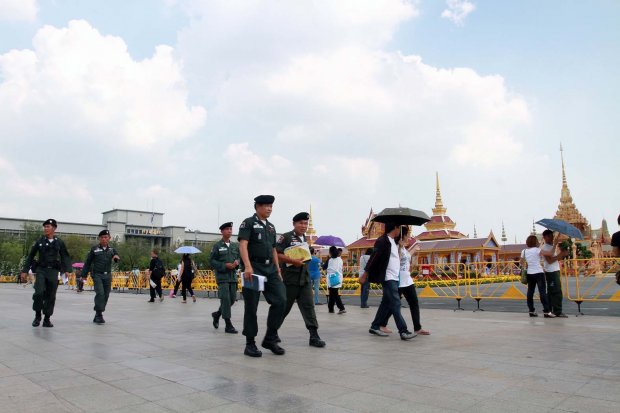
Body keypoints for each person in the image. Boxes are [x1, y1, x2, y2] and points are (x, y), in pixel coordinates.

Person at [238, 195, 286, 357]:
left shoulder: (271, 227)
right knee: (251, 306)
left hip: (270, 269)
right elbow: (243, 244)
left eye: (271, 206)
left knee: (281, 300)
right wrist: (248, 266)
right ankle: (250, 343)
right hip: (254, 268)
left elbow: (273, 249)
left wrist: (278, 269)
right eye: (266, 205)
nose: (269, 208)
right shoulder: (248, 223)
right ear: (257, 206)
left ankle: (270, 338)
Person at [276, 212, 326, 348]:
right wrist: (292, 260)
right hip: (290, 279)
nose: (304, 226)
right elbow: (277, 254)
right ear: (294, 224)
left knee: (309, 306)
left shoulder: (304, 238)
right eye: (301, 223)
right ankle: (272, 333)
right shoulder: (285, 237)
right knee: (283, 308)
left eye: (306, 223)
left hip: (304, 279)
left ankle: (314, 335)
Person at [360, 222, 416, 340]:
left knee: (386, 303)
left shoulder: (392, 242)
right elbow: (374, 258)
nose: (399, 232)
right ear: (395, 228)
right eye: (399, 228)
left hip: (395, 277)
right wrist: (365, 274)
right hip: (388, 277)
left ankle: (375, 326)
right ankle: (403, 331)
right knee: (396, 303)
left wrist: (400, 246)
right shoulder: (383, 241)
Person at [21, 219, 72, 328]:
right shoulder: (39, 241)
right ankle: (37, 315)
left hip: (53, 271)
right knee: (38, 292)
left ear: (54, 228)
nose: (45, 228)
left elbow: (65, 256)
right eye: (45, 227)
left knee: (51, 295)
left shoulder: (59, 242)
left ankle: (47, 319)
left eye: (48, 226)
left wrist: (67, 269)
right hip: (41, 270)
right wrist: (25, 270)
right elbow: (30, 256)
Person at [380, 226, 430, 335]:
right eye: (408, 235)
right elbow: (394, 260)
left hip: (407, 280)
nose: (409, 237)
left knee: (414, 303)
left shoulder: (403, 248)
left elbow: (407, 256)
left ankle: (417, 327)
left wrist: (414, 249)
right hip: (397, 280)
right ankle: (382, 324)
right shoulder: (395, 246)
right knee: (393, 304)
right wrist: (399, 247)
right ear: (402, 236)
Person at [81, 230, 120, 324]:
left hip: (108, 275)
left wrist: (116, 257)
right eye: (102, 237)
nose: (104, 239)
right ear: (99, 238)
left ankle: (98, 313)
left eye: (106, 237)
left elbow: (116, 256)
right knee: (100, 293)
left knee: (106, 295)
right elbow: (88, 262)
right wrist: (84, 275)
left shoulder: (112, 249)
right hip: (97, 274)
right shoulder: (94, 249)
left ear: (109, 238)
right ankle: (99, 314)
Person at [210, 222, 240, 333]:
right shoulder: (217, 246)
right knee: (226, 299)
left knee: (232, 300)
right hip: (222, 277)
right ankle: (228, 324)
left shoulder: (234, 246)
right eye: (227, 229)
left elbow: (239, 258)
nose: (229, 231)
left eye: (231, 229)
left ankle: (217, 314)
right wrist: (224, 265)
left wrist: (237, 263)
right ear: (222, 231)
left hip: (232, 277)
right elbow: (212, 261)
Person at [521, 235, 554, 318]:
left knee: (530, 292)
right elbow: (551, 253)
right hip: (539, 273)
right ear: (535, 242)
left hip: (529, 273)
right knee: (542, 292)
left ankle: (531, 311)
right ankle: (547, 311)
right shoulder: (538, 250)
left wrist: (529, 264)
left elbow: (521, 262)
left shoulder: (524, 251)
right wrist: (555, 244)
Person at [540, 229, 569, 317]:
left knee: (554, 291)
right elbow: (550, 261)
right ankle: (557, 311)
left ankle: (550, 310)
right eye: (550, 237)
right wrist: (560, 255)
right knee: (555, 292)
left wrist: (563, 254)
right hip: (551, 271)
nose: (552, 238)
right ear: (545, 237)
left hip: (555, 270)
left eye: (552, 236)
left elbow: (555, 258)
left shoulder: (551, 246)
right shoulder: (545, 247)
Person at [326, 246, 346, 314]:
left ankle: (341, 308)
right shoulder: (340, 259)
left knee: (334, 294)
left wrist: (327, 259)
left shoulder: (330, 260)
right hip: (338, 278)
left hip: (332, 279)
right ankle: (330, 308)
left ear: (330, 252)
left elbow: (326, 267)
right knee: (332, 293)